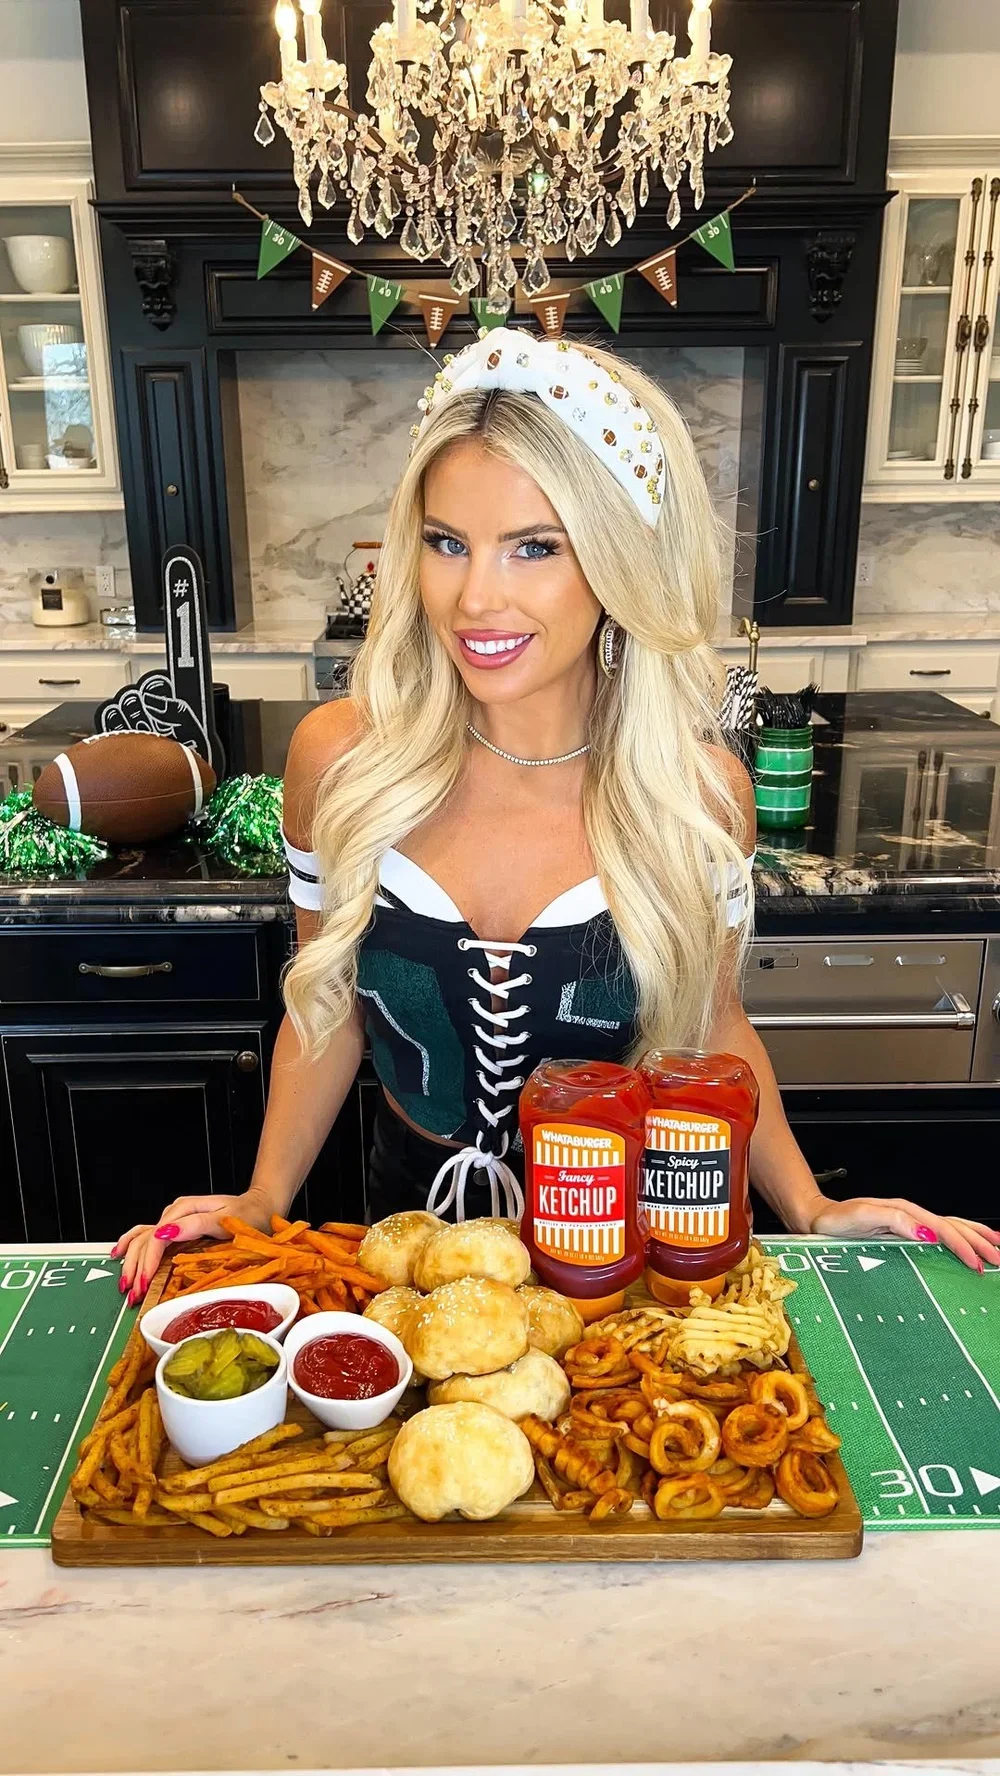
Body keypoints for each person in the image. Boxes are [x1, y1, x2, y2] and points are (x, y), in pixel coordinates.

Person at [116, 329, 1000, 1299]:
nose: (475, 598)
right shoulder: (340, 760)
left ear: (618, 566)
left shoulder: (694, 793)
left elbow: (709, 1020)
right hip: (402, 1238)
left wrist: (809, 1207)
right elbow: (327, 1008)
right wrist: (262, 1195)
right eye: (446, 542)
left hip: (617, 1247)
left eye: (534, 547)